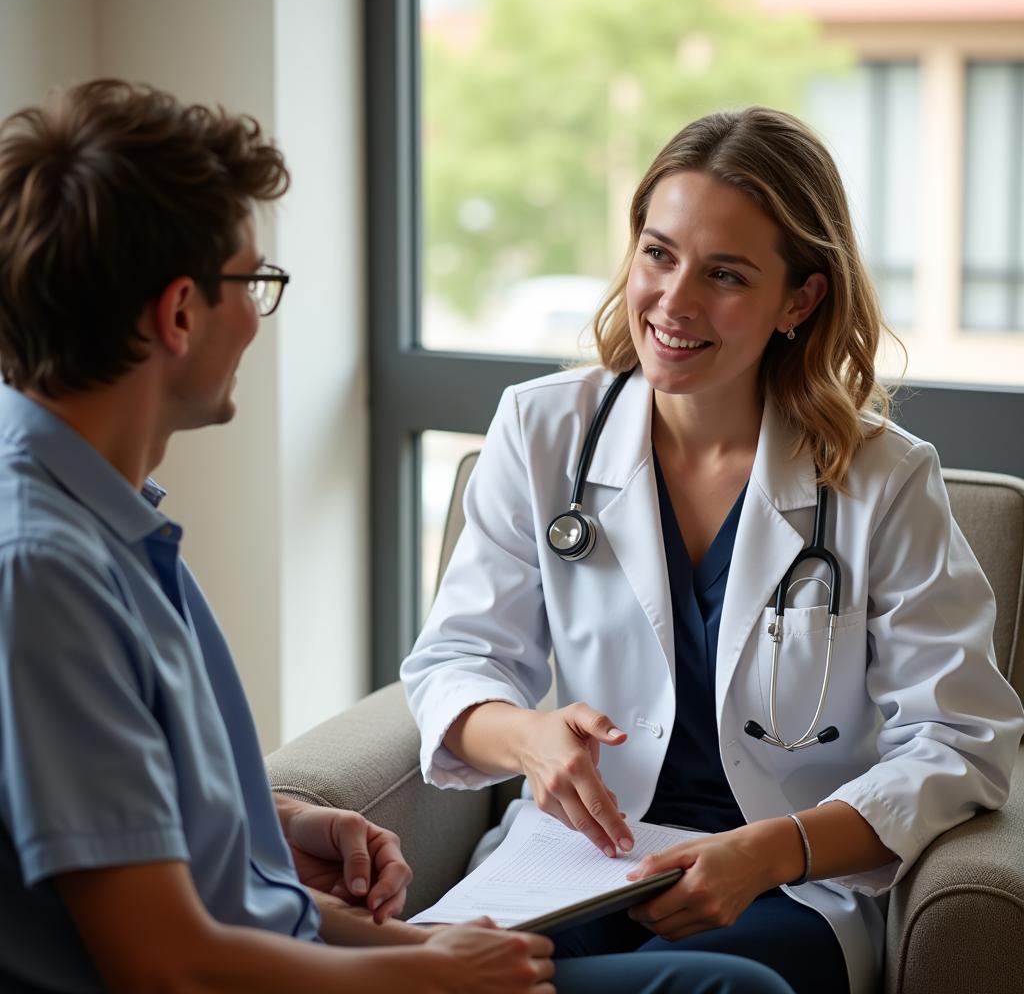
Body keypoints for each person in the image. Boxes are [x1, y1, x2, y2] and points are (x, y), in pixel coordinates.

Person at [0, 79, 793, 994]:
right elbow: (168, 965)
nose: (259, 318)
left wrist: (279, 824)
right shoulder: (45, 571)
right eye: (253, 282)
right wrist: (426, 975)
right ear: (180, 313)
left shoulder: (111, 526)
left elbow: (138, 820)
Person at [402, 106, 1024, 994]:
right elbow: (457, 661)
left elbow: (961, 738)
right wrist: (532, 737)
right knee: (458, 970)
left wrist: (776, 849)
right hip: (576, 864)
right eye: (659, 254)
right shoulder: (542, 431)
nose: (674, 301)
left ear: (800, 299)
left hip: (785, 883)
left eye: (725, 274)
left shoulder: (883, 478)